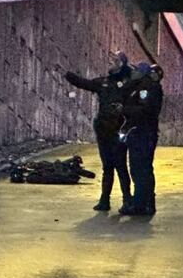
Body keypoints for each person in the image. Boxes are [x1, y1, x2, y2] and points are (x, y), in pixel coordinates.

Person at [65, 52, 132, 211]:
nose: (110, 62)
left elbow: (135, 105)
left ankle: (127, 200)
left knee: (121, 166)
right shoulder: (103, 82)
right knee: (107, 166)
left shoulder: (127, 84)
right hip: (103, 130)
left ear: (121, 64)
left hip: (118, 129)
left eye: (115, 60)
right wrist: (67, 74)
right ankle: (104, 200)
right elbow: (84, 83)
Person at [119, 62, 163, 216]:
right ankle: (145, 203)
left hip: (143, 133)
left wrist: (123, 110)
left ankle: (140, 205)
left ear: (143, 72)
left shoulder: (147, 87)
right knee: (142, 169)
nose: (133, 72)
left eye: (136, 70)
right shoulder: (139, 86)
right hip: (140, 132)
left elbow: (145, 110)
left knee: (140, 170)